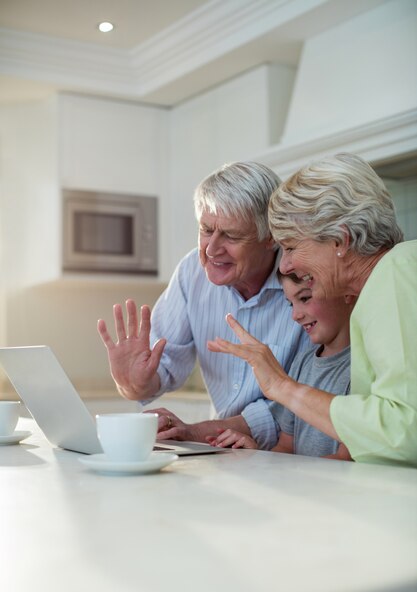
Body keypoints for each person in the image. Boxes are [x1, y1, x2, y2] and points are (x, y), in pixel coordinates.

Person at [208, 153, 417, 467]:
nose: (286, 264)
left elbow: (403, 430)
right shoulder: (382, 285)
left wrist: (283, 387)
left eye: (291, 246)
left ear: (340, 240)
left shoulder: (396, 271)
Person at [97, 162, 311, 449]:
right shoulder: (191, 273)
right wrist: (134, 382)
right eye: (206, 230)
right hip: (231, 450)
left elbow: (304, 402)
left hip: (296, 454)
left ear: (271, 238)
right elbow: (162, 367)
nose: (211, 249)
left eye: (232, 236)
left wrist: (201, 432)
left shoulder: (305, 283)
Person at [207, 271, 355, 460]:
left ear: (347, 293)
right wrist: (255, 455)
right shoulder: (303, 362)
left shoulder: (361, 368)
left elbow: (345, 460)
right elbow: (285, 448)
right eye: (291, 304)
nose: (295, 315)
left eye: (305, 298)